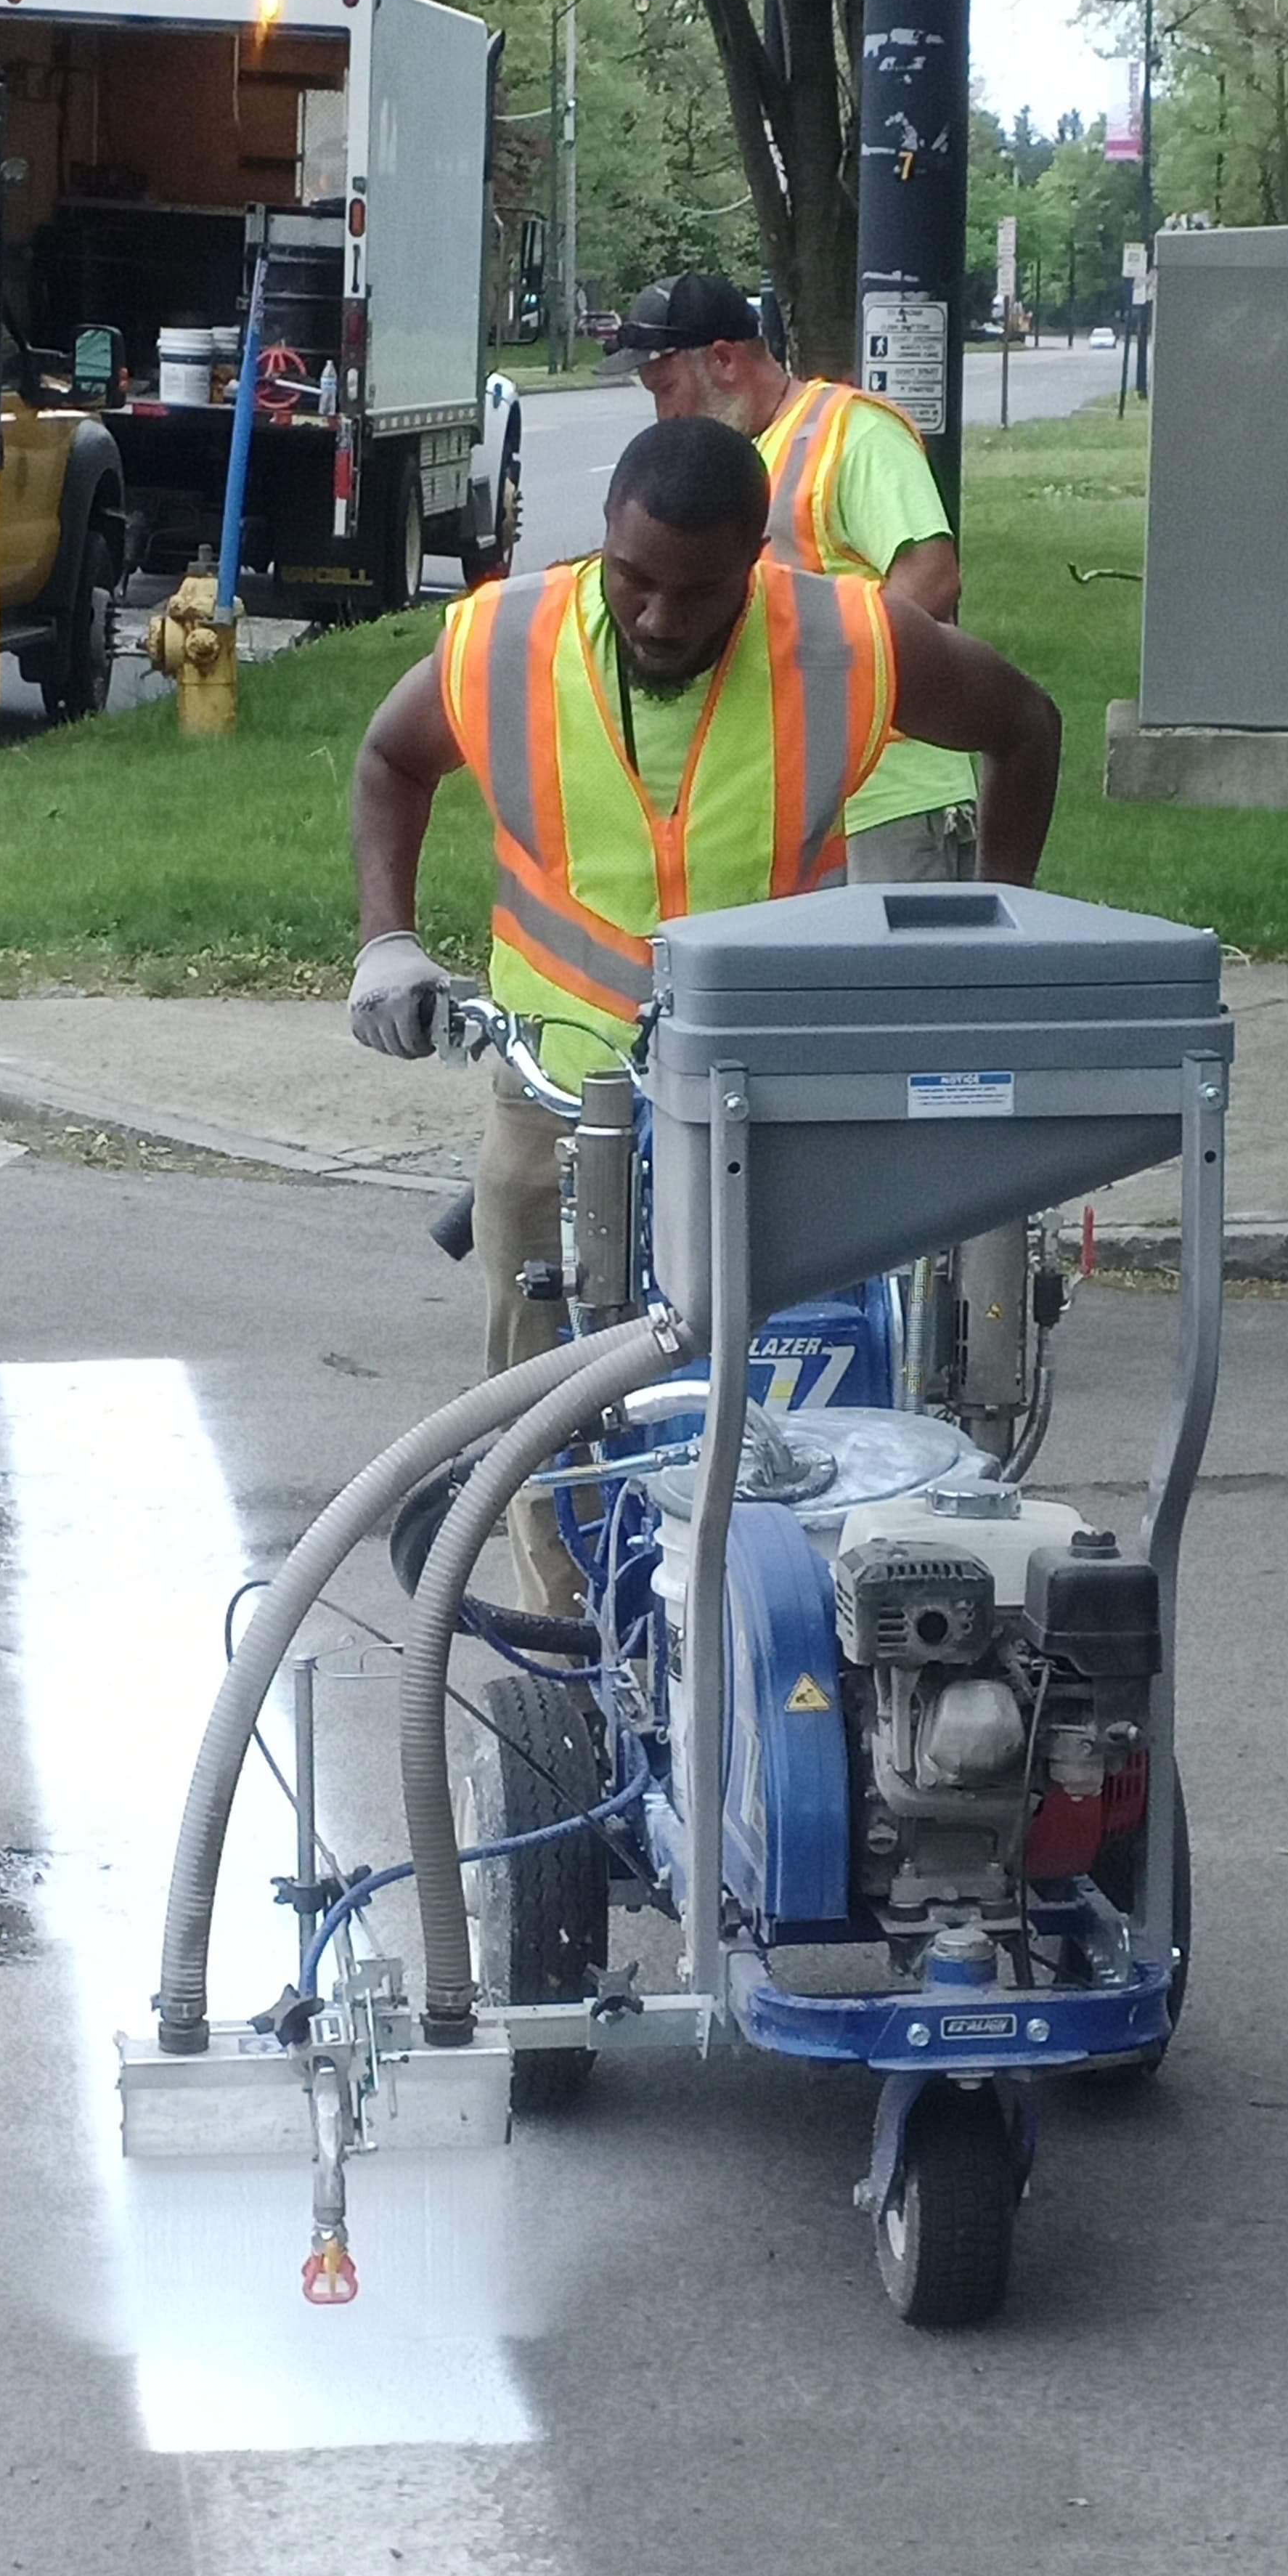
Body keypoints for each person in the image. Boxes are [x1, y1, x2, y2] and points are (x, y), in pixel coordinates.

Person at [349, 414, 1059, 1606]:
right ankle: (573, 1634)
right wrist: (386, 943)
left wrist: (994, 929)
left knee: (801, 1381)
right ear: (601, 546)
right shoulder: (504, 643)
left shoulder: (845, 640)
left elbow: (1020, 726)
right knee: (546, 1395)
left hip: (768, 1090)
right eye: (632, 580)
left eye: (698, 589)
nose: (661, 617)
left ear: (757, 561)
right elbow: (389, 759)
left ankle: (800, 1614)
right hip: (562, 1086)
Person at [606, 269, 977, 885]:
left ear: (723, 360)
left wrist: (831, 697)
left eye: (666, 388)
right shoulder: (749, 458)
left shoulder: (854, 434)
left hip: (888, 803)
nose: (663, 416)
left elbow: (932, 578)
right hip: (804, 805)